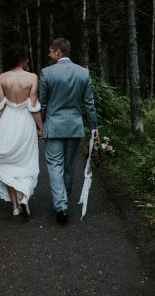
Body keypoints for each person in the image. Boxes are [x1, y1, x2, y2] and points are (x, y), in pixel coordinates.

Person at [39, 37, 99, 224]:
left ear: (58, 52)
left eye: (50, 51)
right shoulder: (83, 73)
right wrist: (94, 128)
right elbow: (89, 104)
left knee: (55, 166)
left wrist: (39, 126)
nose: (49, 54)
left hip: (54, 127)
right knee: (69, 166)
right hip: (74, 128)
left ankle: (61, 206)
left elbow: (43, 104)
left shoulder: (46, 73)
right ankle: (64, 199)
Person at [0, 45, 43, 217]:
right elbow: (33, 107)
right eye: (27, 58)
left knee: (8, 164)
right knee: (27, 163)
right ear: (22, 59)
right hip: (25, 123)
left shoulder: (2, 77)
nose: (28, 61)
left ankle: (15, 206)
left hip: (8, 122)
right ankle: (25, 198)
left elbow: (0, 107)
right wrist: (41, 127)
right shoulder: (31, 77)